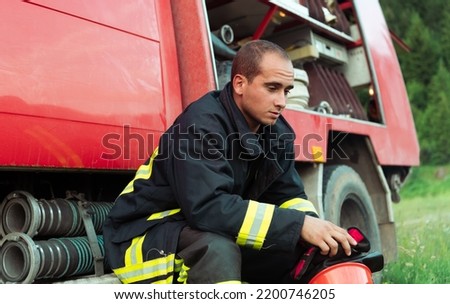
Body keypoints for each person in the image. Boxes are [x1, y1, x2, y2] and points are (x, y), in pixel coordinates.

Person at [102, 40, 357, 284]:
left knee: (297, 249)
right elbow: (209, 208)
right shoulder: (200, 125)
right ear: (239, 84)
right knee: (217, 250)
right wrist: (298, 225)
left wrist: (314, 230)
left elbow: (288, 196)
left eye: (286, 90)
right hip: (145, 234)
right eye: (272, 88)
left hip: (200, 228)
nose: (282, 101)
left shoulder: (274, 133)